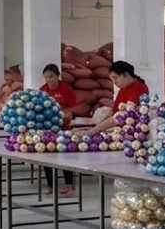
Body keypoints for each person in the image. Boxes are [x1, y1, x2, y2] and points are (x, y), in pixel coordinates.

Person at [39, 64, 79, 196]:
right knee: (47, 156)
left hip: (63, 128)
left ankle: (69, 185)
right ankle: (51, 185)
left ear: (57, 76)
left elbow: (73, 109)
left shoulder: (66, 90)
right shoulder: (42, 90)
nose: (49, 79)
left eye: (51, 76)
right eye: (46, 77)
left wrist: (60, 113)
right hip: (47, 129)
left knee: (65, 156)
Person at [88, 61, 149, 134]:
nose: (114, 82)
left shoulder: (139, 88)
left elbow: (123, 115)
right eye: (112, 79)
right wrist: (98, 126)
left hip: (132, 131)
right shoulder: (123, 89)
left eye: (115, 78)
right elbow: (113, 112)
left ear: (125, 75)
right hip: (118, 128)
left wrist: (96, 129)